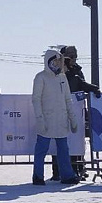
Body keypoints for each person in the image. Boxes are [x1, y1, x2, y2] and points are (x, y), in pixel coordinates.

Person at [31, 50, 79, 185]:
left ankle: (67, 176)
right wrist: (40, 119)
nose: (58, 64)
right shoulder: (41, 77)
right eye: (56, 61)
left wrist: (73, 118)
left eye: (60, 61)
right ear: (49, 61)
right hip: (47, 119)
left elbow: (68, 99)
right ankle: (38, 176)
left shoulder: (62, 78)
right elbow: (36, 99)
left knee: (63, 149)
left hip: (61, 119)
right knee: (41, 149)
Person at [55, 45, 100, 181]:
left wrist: (95, 89)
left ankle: (78, 168)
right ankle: (58, 171)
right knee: (60, 141)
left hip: (76, 111)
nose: (73, 59)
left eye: (75, 56)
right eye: (69, 57)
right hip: (58, 112)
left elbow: (82, 85)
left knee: (76, 140)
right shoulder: (56, 72)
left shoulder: (77, 73)